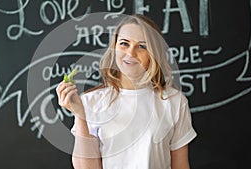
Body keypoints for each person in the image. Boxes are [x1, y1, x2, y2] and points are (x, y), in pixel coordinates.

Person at [56, 14, 197, 169]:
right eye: (124, 44)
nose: (131, 53)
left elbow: (181, 165)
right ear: (114, 47)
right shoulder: (91, 102)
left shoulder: (174, 102)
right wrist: (80, 116)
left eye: (142, 46)